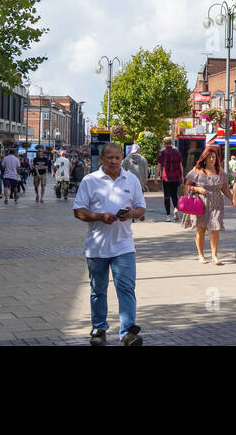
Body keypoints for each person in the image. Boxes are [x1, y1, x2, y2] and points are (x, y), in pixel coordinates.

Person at [72, 143, 146, 345]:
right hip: (96, 246)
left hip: (123, 245)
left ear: (122, 158)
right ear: (102, 159)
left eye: (117, 157)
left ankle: (128, 333)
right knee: (98, 290)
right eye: (109, 157)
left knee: (126, 288)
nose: (113, 161)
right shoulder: (90, 181)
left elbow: (141, 208)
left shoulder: (131, 180)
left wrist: (131, 213)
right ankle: (99, 329)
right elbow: (78, 210)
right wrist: (99, 216)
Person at [181, 145, 232, 264]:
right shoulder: (197, 170)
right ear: (204, 158)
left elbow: (225, 189)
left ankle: (214, 255)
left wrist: (233, 199)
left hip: (216, 204)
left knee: (215, 228)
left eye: (213, 157)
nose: (211, 160)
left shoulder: (220, 171)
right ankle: (201, 255)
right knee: (201, 229)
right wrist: (197, 189)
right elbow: (185, 187)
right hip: (200, 203)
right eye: (209, 157)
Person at [159, 138, 183, 220]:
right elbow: (180, 165)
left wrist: (156, 177)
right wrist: (181, 176)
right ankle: (176, 208)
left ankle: (168, 216)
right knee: (174, 195)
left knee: (166, 196)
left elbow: (159, 166)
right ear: (171, 143)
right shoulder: (177, 152)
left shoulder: (162, 153)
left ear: (164, 144)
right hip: (176, 177)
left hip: (166, 177)